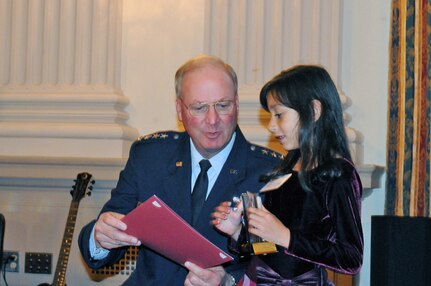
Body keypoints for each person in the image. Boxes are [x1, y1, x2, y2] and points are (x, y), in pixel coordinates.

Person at [78, 55, 282, 285]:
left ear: (236, 104)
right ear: (179, 109)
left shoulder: (270, 173)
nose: (213, 119)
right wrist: (100, 238)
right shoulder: (150, 156)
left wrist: (229, 281)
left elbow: (279, 266)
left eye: (222, 106)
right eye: (199, 108)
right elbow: (109, 229)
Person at [211, 65, 364, 285]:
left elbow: (351, 258)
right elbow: (269, 249)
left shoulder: (339, 175)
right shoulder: (283, 171)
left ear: (313, 111)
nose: (272, 126)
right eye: (271, 116)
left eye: (279, 115)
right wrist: (237, 233)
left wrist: (286, 236)